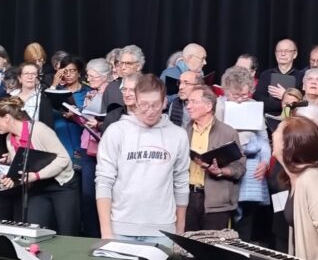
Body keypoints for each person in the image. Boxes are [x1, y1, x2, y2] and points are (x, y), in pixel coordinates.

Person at [95, 74, 190, 246]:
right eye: (144, 104)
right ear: (136, 102)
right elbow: (104, 181)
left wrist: (180, 230)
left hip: (163, 230)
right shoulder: (116, 132)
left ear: (164, 102)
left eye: (155, 104)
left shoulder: (178, 135)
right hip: (120, 228)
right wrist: (106, 231)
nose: (150, 110)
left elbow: (181, 182)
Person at [0, 97, 77, 232]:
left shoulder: (39, 129)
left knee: (67, 232)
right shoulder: (9, 139)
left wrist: (36, 175)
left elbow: (63, 159)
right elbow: (24, 162)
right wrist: (12, 173)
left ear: (7, 118)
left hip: (62, 186)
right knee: (34, 231)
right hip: (37, 188)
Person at [274, 116, 318, 260]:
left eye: (277, 131)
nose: (273, 134)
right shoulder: (297, 178)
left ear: (287, 144)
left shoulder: (311, 180)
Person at [220, 67, 272, 244]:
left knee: (246, 221)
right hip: (226, 167)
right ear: (227, 90)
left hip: (250, 171)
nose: (241, 99)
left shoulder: (253, 106)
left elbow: (263, 139)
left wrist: (265, 162)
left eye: (245, 94)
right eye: (236, 95)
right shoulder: (219, 106)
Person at [185, 86, 246, 231]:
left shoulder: (228, 133)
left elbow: (240, 167)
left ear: (208, 106)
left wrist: (221, 171)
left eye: (193, 102)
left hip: (216, 203)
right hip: (188, 199)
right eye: (188, 102)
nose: (188, 106)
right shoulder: (185, 131)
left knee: (213, 244)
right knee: (187, 243)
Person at [79, 58, 113, 237]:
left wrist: (99, 123)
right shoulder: (90, 93)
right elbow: (84, 120)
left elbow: (114, 120)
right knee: (88, 196)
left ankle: (105, 233)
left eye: (93, 76)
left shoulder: (113, 93)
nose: (89, 79)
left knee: (104, 194)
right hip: (87, 147)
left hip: (105, 148)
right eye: (88, 76)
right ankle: (91, 235)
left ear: (104, 76)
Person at [51, 55, 89, 171]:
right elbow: (45, 109)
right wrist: (54, 84)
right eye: (65, 71)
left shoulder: (88, 92)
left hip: (81, 142)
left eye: (72, 71)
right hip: (59, 143)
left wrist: (76, 115)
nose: (68, 74)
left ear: (79, 72)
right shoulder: (56, 92)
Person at [256, 39, 302, 115]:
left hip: (293, 119)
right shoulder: (265, 75)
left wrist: (284, 96)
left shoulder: (301, 76)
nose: (282, 54)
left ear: (295, 54)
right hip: (268, 118)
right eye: (279, 51)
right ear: (275, 54)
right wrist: (284, 103)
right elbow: (259, 100)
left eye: (287, 51)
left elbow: (302, 104)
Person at [9, 63, 54, 127]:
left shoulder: (43, 99)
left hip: (35, 132)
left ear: (38, 78)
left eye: (34, 74)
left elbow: (48, 128)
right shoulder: (10, 96)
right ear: (19, 78)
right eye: (26, 73)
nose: (30, 77)